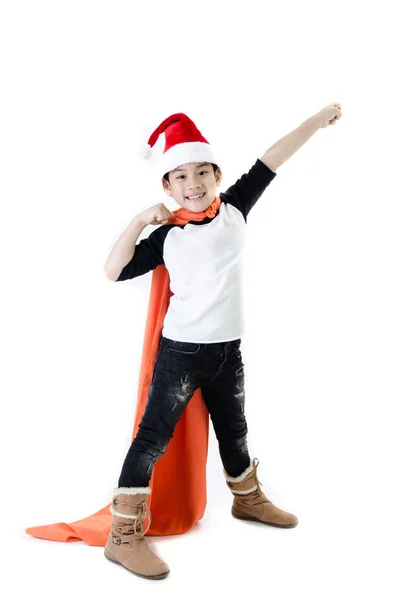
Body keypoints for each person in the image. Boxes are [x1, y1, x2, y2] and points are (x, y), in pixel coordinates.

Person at [102, 107, 343, 580]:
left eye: (201, 172)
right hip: (181, 355)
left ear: (217, 175)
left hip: (227, 351)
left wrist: (315, 122)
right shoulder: (168, 236)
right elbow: (113, 270)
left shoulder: (233, 210)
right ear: (167, 188)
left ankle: (247, 500)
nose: (193, 183)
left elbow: (273, 159)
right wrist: (137, 222)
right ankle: (122, 536)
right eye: (180, 176)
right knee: (152, 440)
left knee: (235, 431)